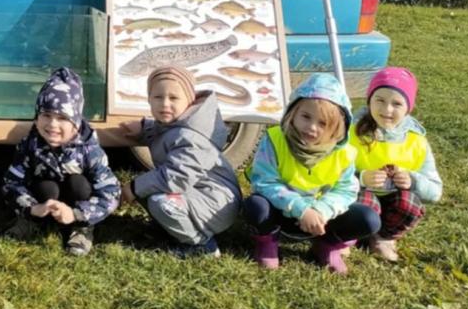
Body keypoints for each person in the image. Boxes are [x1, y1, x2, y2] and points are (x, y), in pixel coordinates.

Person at [244, 73, 380, 273]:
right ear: (293, 112)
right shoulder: (275, 140)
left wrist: (321, 211)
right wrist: (301, 209)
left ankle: (327, 245)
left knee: (368, 219)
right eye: (306, 117)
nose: (312, 127)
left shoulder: (344, 153)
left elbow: (345, 190)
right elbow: (264, 182)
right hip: (281, 211)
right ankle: (268, 242)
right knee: (256, 205)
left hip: (320, 219)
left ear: (337, 127)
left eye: (323, 123)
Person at [118, 65, 240, 257]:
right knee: (149, 187)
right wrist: (144, 128)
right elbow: (165, 131)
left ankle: (201, 244)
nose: (165, 104)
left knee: (161, 201)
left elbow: (177, 178)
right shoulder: (181, 124)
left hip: (216, 204)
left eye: (173, 98)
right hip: (199, 195)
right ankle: (175, 229)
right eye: (158, 97)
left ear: (189, 101)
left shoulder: (192, 136)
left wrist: (132, 187)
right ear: (149, 99)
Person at [1, 67, 121, 256]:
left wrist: (76, 214)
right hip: (44, 202)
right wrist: (31, 208)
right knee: (46, 187)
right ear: (37, 117)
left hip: (77, 203)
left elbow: (111, 193)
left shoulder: (89, 151)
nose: (52, 124)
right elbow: (12, 182)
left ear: (76, 124)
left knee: (79, 184)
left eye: (63, 118)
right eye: (46, 115)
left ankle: (81, 229)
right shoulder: (30, 145)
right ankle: (33, 222)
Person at [350, 67, 442, 262]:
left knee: (409, 203)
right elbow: (329, 172)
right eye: (380, 100)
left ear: (408, 108)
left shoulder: (417, 142)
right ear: (369, 100)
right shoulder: (351, 132)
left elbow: (435, 191)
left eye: (397, 103)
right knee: (364, 202)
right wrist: (361, 177)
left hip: (394, 203)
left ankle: (384, 237)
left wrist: (412, 180)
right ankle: (350, 235)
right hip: (361, 196)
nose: (387, 110)